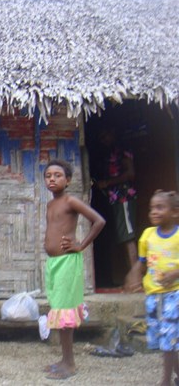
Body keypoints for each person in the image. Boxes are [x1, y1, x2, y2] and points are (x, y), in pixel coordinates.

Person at [43, 159, 106, 380]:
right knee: (59, 310)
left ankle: (70, 364)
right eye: (48, 175)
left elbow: (98, 221)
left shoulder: (71, 201)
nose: (52, 178)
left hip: (67, 262)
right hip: (54, 264)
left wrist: (81, 245)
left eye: (58, 175)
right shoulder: (50, 204)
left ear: (68, 180)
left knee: (64, 312)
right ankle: (64, 359)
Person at [125, 190, 179, 386]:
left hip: (175, 295)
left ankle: (165, 381)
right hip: (153, 296)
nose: (153, 212)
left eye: (159, 208)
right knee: (162, 339)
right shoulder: (148, 235)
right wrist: (134, 275)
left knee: (169, 338)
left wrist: (175, 273)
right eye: (151, 208)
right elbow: (142, 261)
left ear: (175, 212)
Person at [96, 126, 138, 272]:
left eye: (105, 136)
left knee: (128, 235)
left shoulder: (122, 150)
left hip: (124, 197)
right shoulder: (110, 152)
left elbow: (130, 173)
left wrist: (107, 183)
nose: (103, 140)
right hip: (115, 198)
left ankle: (136, 278)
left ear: (112, 132)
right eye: (101, 138)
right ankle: (132, 275)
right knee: (123, 235)